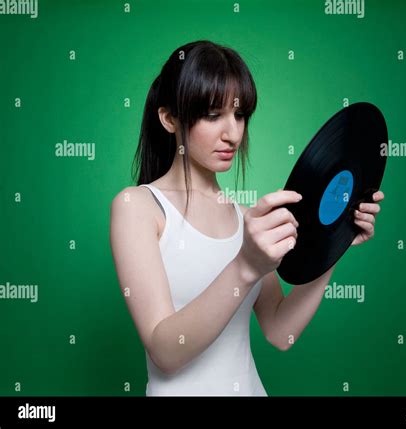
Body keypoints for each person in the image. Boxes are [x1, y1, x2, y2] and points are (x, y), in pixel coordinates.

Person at [109, 40, 384, 396]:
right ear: (169, 118)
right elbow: (164, 350)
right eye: (213, 115)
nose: (233, 134)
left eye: (239, 115)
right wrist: (246, 265)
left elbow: (279, 332)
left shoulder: (245, 219)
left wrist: (337, 240)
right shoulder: (138, 206)